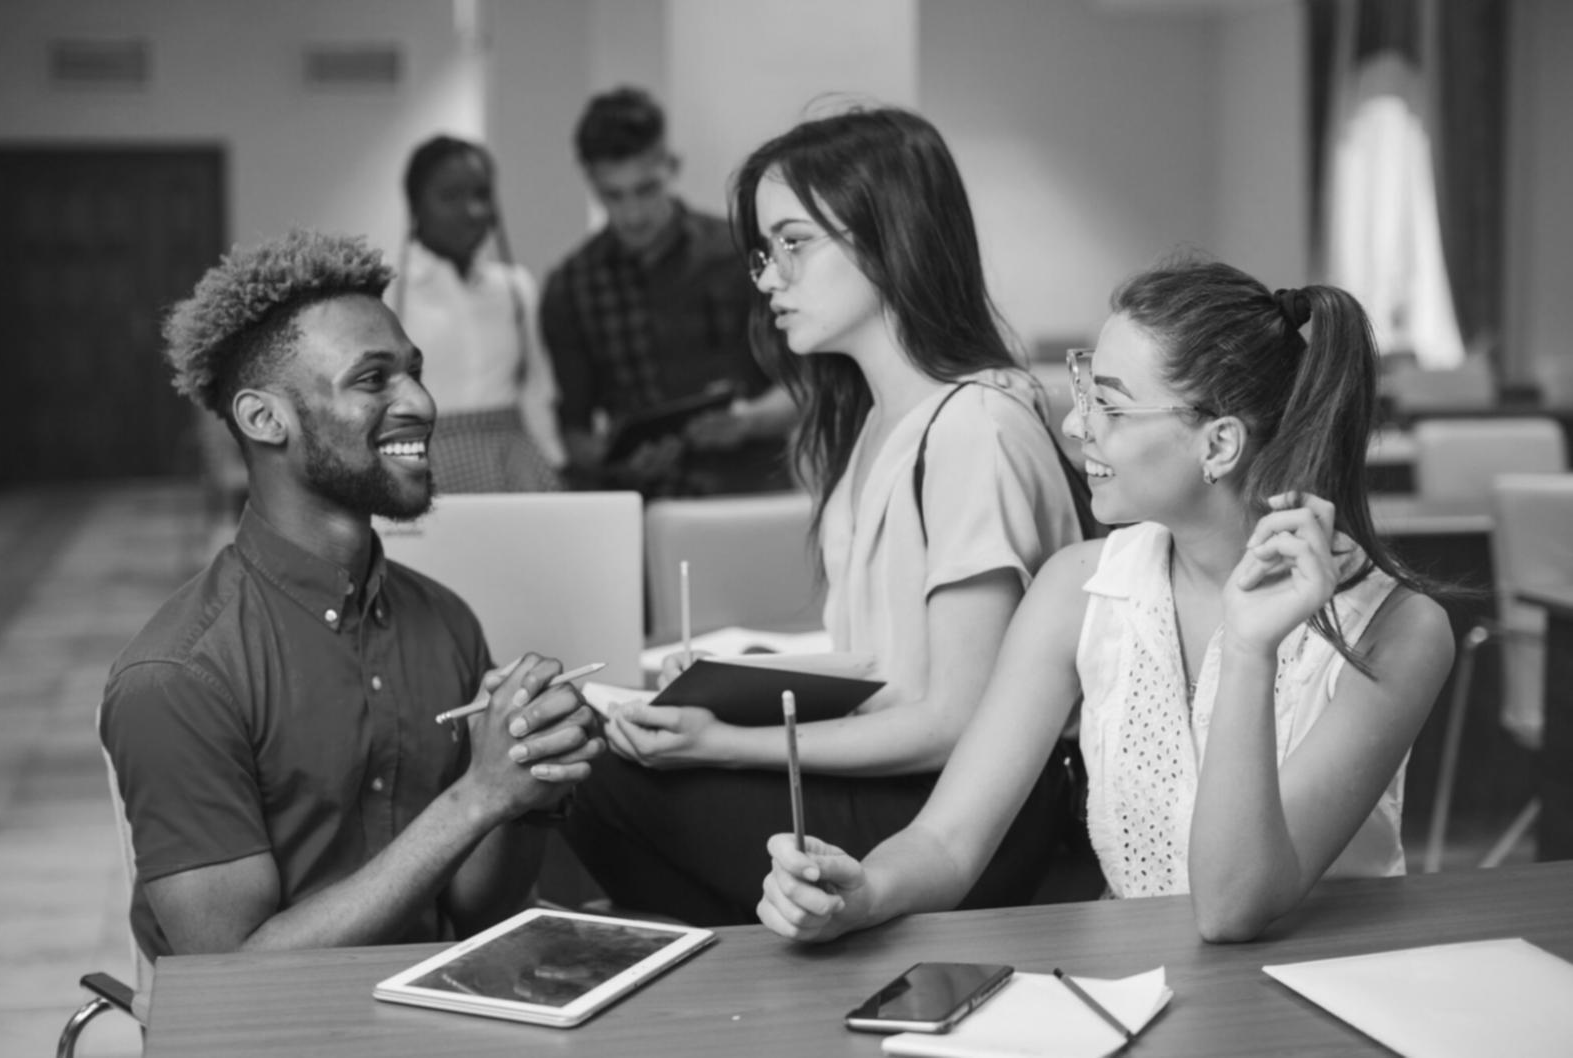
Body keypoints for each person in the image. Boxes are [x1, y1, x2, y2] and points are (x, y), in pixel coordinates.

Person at [757, 258, 1456, 944]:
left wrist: (1248, 649)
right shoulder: (1078, 589)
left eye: (1111, 406)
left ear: (1219, 444)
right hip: (1139, 991)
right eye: (1084, 393)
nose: (1074, 426)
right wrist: (865, 890)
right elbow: (946, 840)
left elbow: (1232, 908)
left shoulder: (1400, 632)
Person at [561, 106, 1085, 926]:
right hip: (903, 781)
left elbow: (954, 720)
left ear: (890, 236)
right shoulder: (878, 423)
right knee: (589, 757)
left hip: (973, 816)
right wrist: (728, 693)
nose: (769, 277)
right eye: (765, 253)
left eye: (795, 243)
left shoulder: (974, 429)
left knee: (600, 780)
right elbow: (889, 665)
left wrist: (723, 739)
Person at [100, 230, 604, 963]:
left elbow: (474, 909)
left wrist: (529, 780)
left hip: (438, 1013)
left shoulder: (444, 620)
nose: (424, 404)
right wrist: (477, 796)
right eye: (373, 380)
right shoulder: (180, 676)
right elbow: (231, 974)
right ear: (263, 418)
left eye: (415, 373)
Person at [539, 86, 795, 497]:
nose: (633, 214)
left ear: (671, 166)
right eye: (613, 196)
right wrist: (613, 457)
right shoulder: (571, 287)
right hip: (641, 508)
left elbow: (806, 388)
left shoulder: (739, 255)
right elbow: (575, 432)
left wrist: (749, 421)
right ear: (590, 182)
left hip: (749, 496)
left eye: (645, 189)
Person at [389, 134, 564, 492]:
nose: (473, 211)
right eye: (450, 196)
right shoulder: (387, 290)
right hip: (418, 460)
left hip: (513, 462)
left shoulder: (514, 287)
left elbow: (535, 391)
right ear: (416, 205)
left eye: (482, 195)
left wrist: (558, 463)